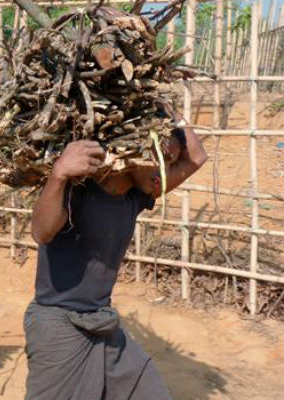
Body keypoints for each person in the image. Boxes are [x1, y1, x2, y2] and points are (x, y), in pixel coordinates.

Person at [24, 107, 208, 400]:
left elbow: (197, 157)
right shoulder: (79, 187)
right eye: (159, 159)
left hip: (103, 322)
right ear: (133, 151)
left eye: (169, 162)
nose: (164, 170)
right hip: (59, 327)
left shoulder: (136, 197)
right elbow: (41, 233)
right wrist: (59, 173)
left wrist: (166, 109)